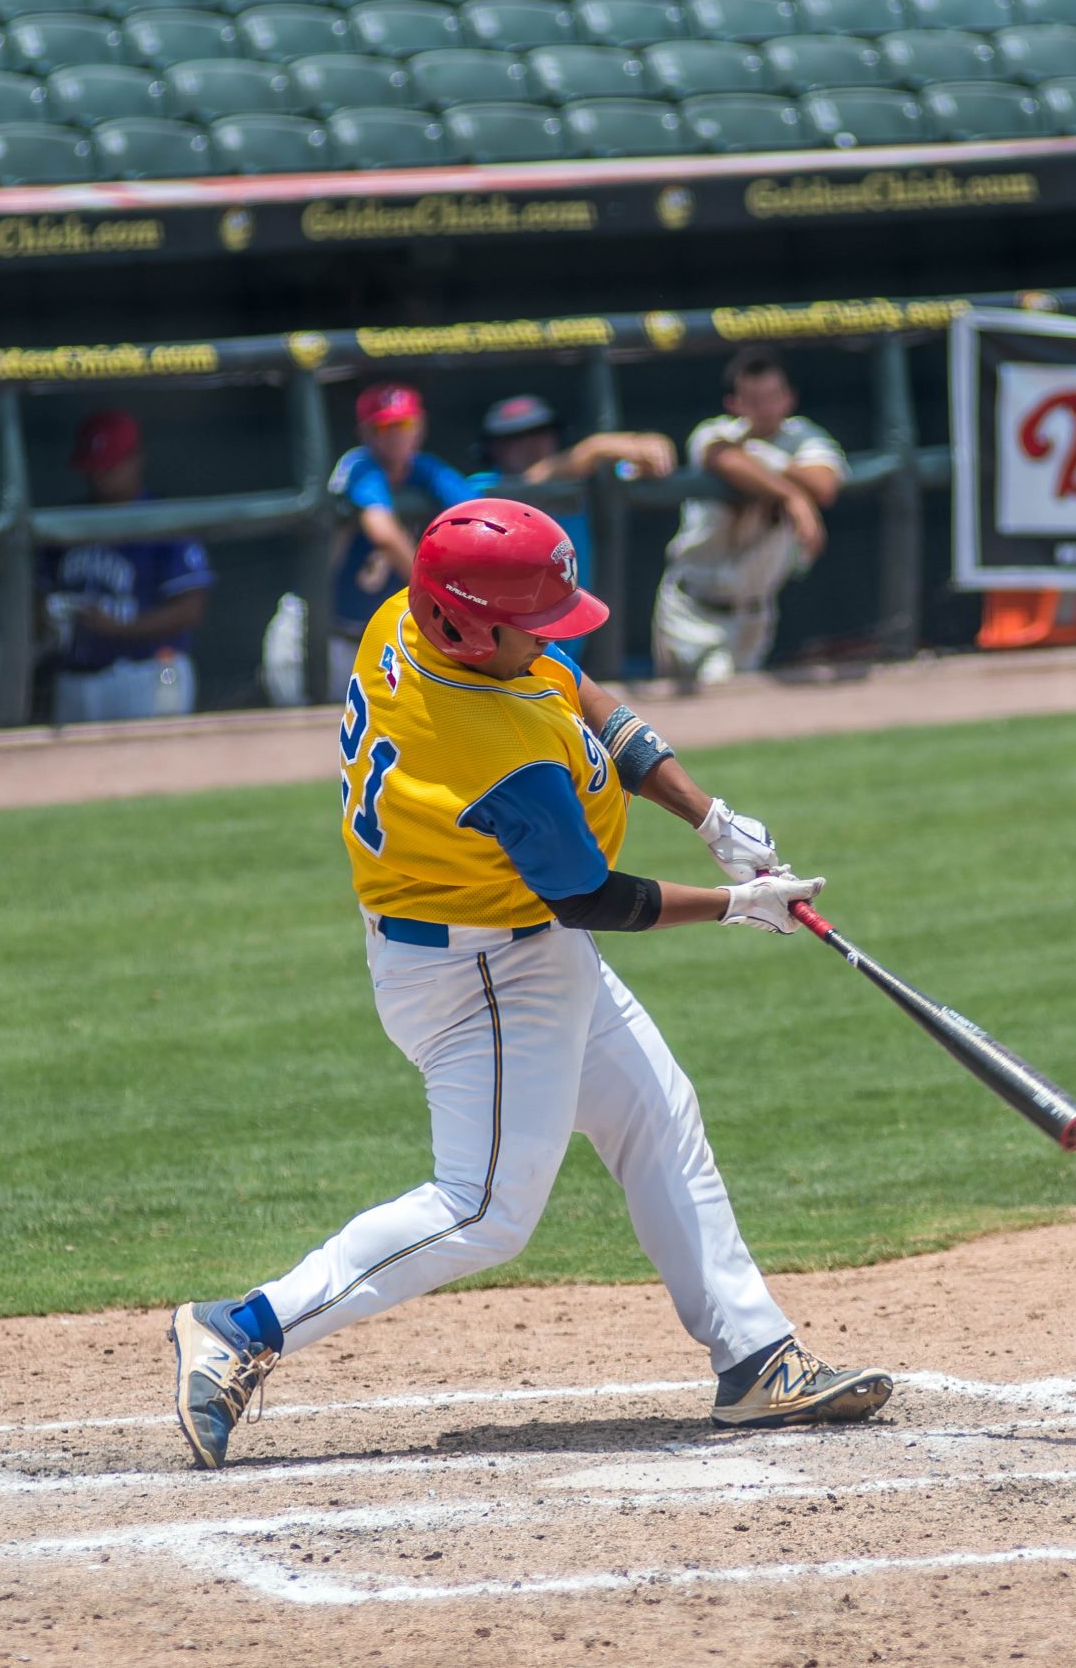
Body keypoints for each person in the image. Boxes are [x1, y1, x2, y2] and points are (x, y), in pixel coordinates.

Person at [166, 498, 891, 1470]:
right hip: (483, 973)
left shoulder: (412, 619)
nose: (549, 637)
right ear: (470, 627)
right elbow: (591, 896)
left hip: (506, 942)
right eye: (531, 623)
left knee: (656, 1112)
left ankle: (756, 1359)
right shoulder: (484, 744)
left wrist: (709, 816)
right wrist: (735, 906)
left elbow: (579, 690)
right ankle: (241, 1328)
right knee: (485, 1209)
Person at [653, 347, 848, 688]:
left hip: (752, 615)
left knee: (727, 700)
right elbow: (724, 458)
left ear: (789, 398)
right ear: (734, 404)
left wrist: (771, 464)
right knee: (678, 709)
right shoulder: (714, 433)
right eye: (754, 399)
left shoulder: (802, 437)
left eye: (773, 396)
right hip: (689, 606)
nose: (765, 408)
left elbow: (824, 484)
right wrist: (791, 495)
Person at [466, 393, 676, 671]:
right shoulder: (480, 487)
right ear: (492, 448)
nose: (531, 445)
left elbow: (635, 465)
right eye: (514, 438)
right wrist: (595, 448)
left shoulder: (578, 478)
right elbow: (532, 482)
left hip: (570, 643)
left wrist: (649, 448)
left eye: (540, 433)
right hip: (504, 648)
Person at [42, 409, 213, 723]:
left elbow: (190, 609)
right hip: (75, 676)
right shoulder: (65, 525)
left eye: (109, 466)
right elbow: (32, 595)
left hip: (147, 671)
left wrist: (119, 629)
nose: (99, 476)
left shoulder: (164, 521)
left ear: (136, 459)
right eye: (94, 467)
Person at [326, 382, 476, 674]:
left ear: (420, 427)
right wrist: (438, 596)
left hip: (385, 641)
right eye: (384, 427)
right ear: (365, 433)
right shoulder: (358, 465)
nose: (396, 435)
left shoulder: (426, 469)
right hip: (325, 634)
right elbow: (383, 533)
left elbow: (475, 510)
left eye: (405, 424)